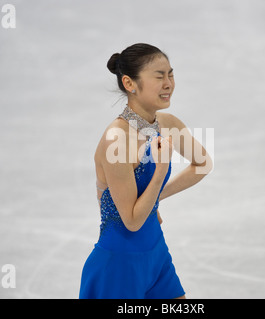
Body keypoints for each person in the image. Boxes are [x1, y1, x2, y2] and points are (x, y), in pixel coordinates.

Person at [79, 43, 213, 299]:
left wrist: (154, 200)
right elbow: (131, 221)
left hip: (156, 254)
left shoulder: (168, 123)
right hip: (119, 265)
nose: (168, 83)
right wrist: (161, 169)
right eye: (159, 76)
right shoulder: (116, 139)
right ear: (130, 83)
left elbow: (202, 164)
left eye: (170, 74)